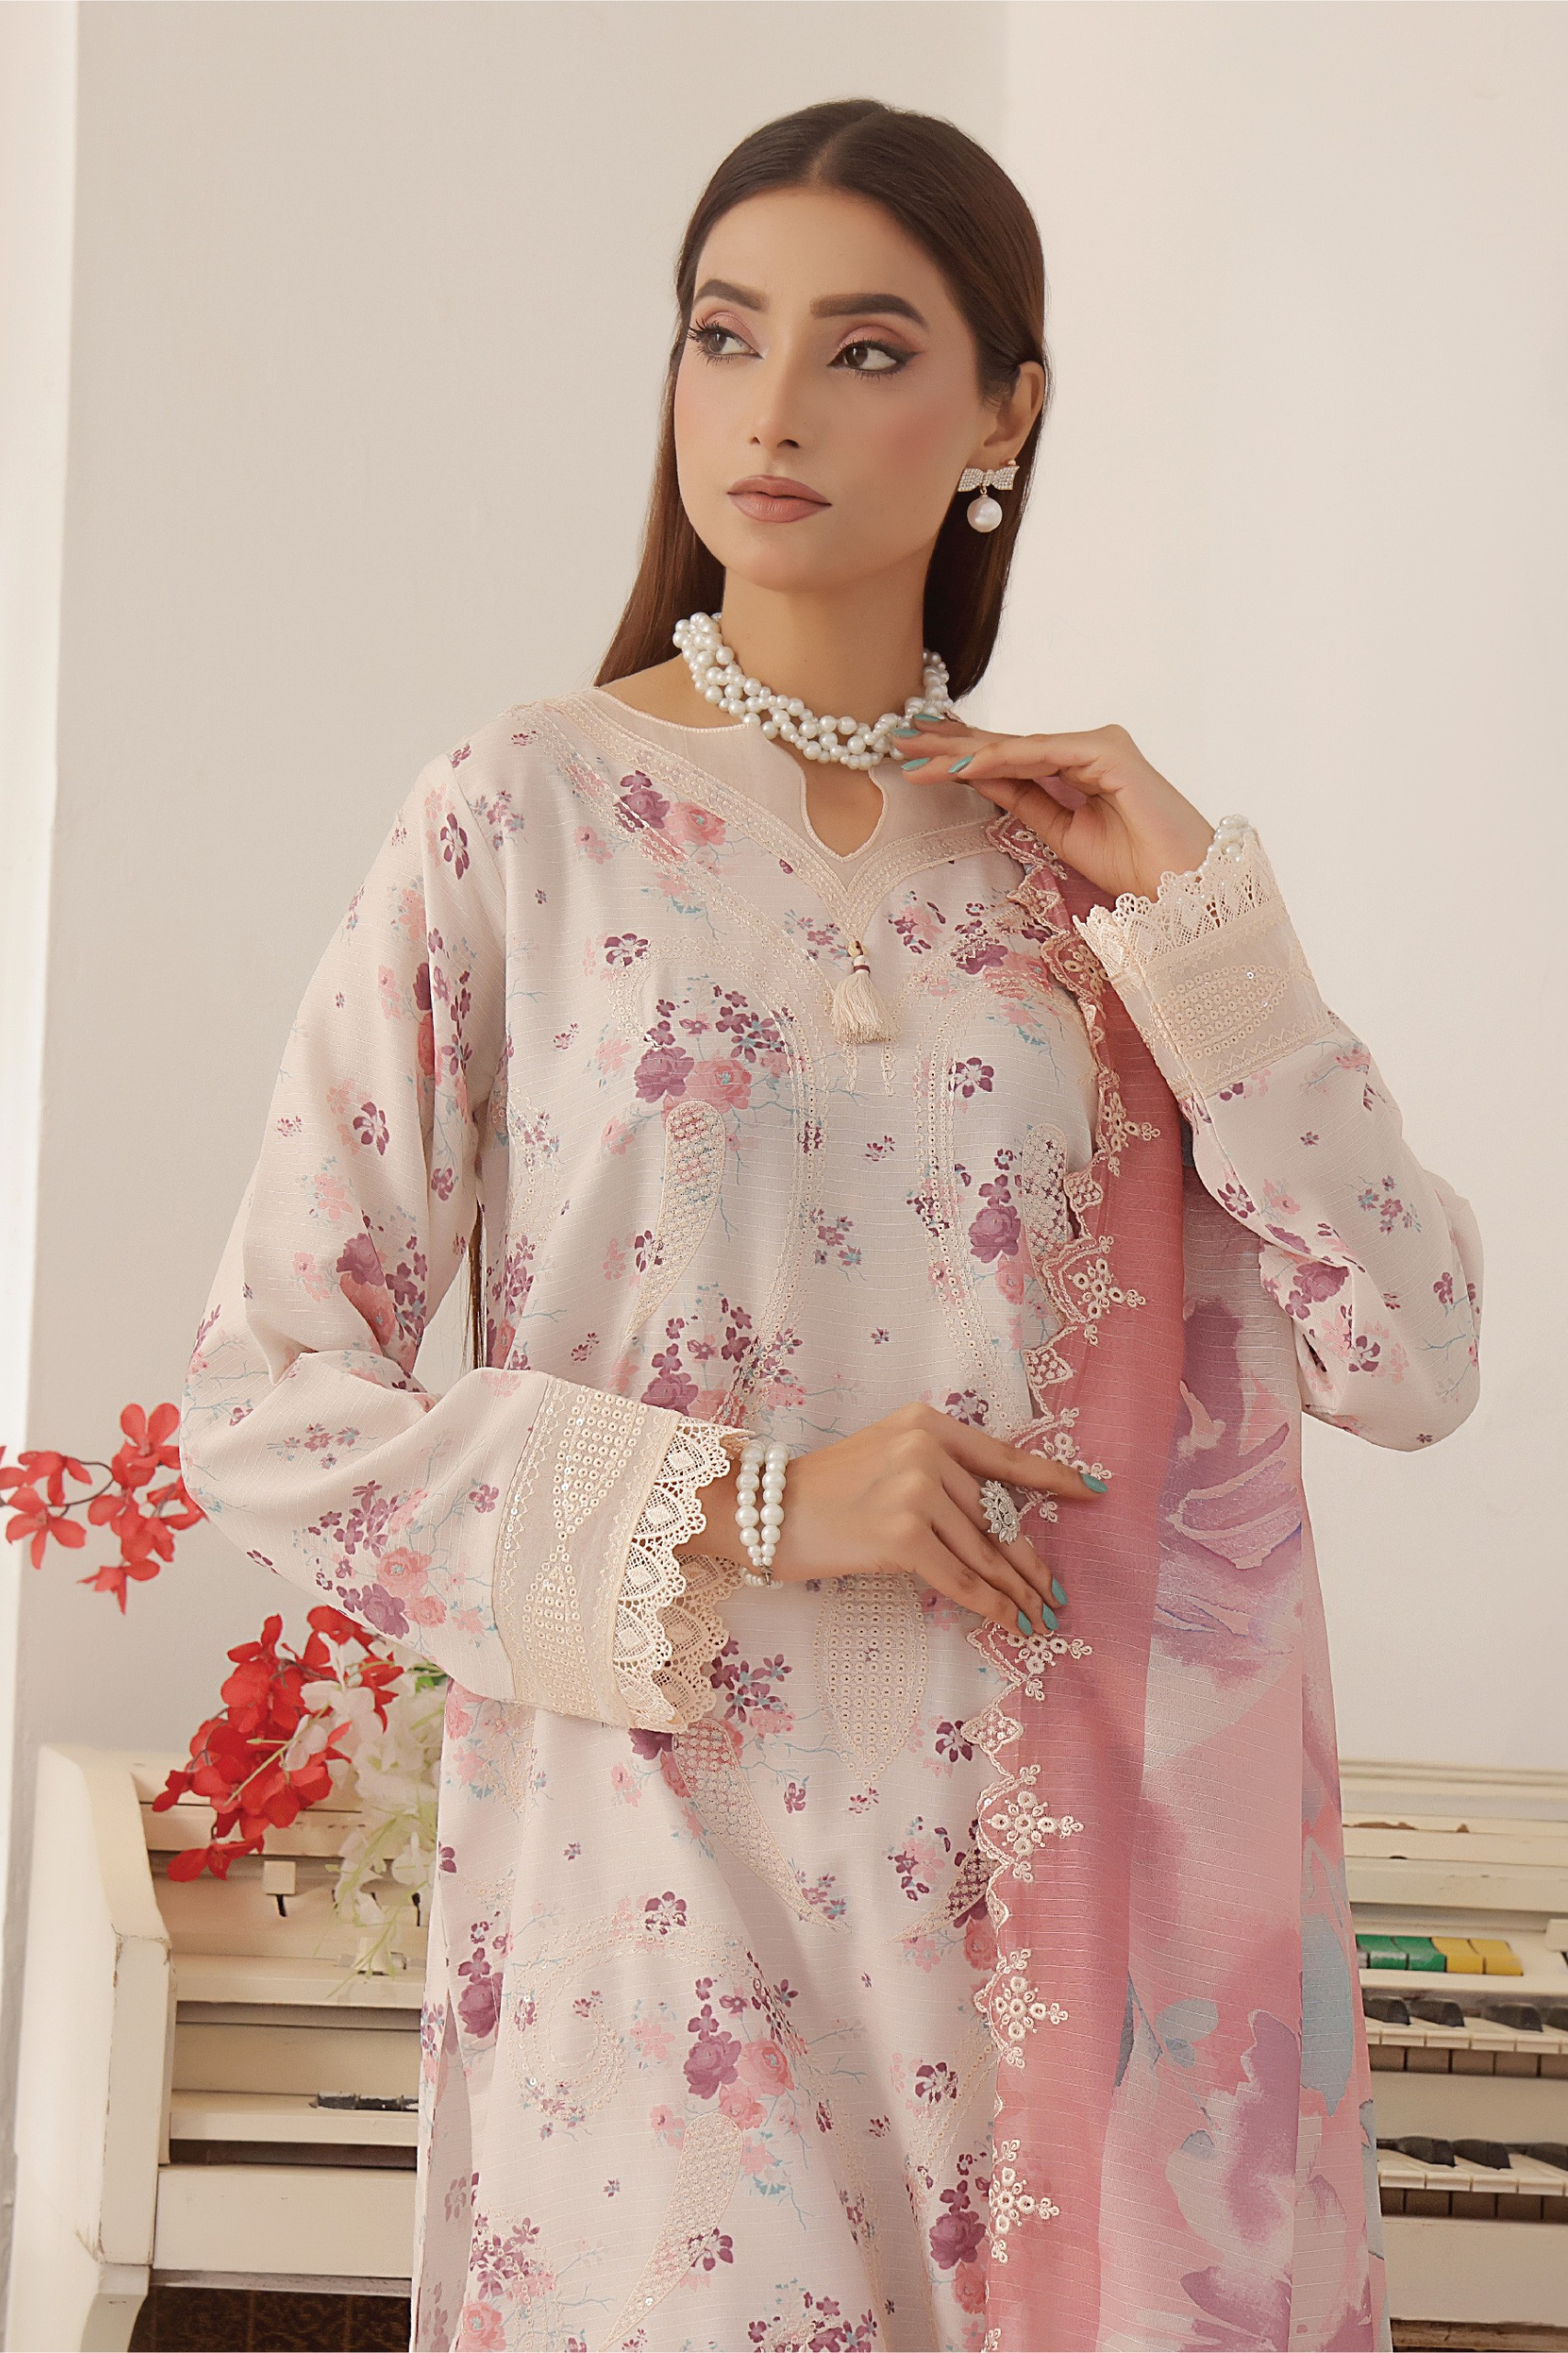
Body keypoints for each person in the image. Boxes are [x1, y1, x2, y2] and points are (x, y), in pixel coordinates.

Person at [181, 97, 1479, 2353]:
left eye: (865, 348)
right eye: (723, 333)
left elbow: (1411, 1347)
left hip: (1062, 1929)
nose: (769, 404)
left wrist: (1207, 916)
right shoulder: (523, 815)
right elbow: (268, 1405)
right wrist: (767, 1499)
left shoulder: (1095, 886)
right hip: (666, 1932)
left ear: (1004, 415)